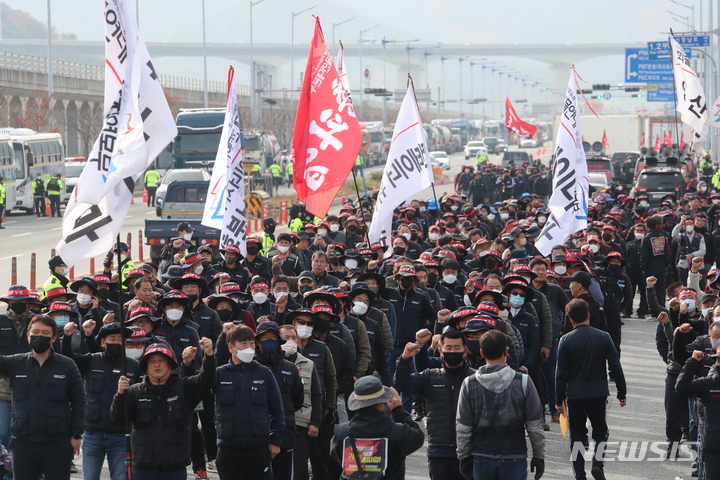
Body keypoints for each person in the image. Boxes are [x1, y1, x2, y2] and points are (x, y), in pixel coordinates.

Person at [112, 337, 215, 480]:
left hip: (174, 468)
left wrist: (209, 355)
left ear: (170, 365)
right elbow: (119, 418)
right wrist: (120, 395)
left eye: (161, 360)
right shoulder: (134, 391)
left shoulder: (184, 388)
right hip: (142, 467)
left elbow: (207, 380)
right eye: (152, 361)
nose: (157, 365)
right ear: (146, 366)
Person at [0, 314, 86, 480]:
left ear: (54, 338)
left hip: (57, 442)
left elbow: (79, 400)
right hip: (23, 442)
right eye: (36, 332)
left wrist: (76, 434)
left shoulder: (67, 365)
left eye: (45, 333)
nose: (40, 336)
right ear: (28, 335)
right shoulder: (15, 363)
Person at [456, 329, 545, 480]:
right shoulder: (523, 382)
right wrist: (539, 456)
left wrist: (463, 456)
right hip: (514, 456)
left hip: (481, 456)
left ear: (482, 353)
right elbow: (535, 425)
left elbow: (463, 425)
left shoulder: (469, 383)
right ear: (506, 351)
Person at [556, 299, 627, 480]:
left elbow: (560, 374)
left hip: (575, 394)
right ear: (589, 315)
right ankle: (597, 463)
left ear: (570, 320)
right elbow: (615, 367)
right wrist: (621, 392)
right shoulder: (604, 337)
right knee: (600, 431)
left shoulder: (565, 340)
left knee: (577, 436)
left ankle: (580, 474)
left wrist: (558, 400)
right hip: (598, 392)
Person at [61, 322, 140, 480]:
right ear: (103, 342)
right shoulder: (91, 360)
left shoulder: (134, 366)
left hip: (120, 434)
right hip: (92, 433)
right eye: (112, 338)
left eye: (120, 339)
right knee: (90, 477)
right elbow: (67, 359)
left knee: (120, 477)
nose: (117, 342)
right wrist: (67, 337)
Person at [395, 329, 476, 480]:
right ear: (440, 351)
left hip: (471, 452)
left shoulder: (475, 378)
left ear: (465, 352)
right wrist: (405, 359)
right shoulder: (429, 376)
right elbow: (402, 384)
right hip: (439, 450)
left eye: (457, 348)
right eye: (449, 348)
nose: (453, 351)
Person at [213, 324, 286, 480]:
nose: (249, 347)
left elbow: (277, 409)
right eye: (243, 343)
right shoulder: (220, 374)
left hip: (258, 446)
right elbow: (199, 390)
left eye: (251, 343)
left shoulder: (264, 373)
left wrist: (276, 441)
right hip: (228, 447)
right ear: (231, 348)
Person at [330, 376, 425, 480]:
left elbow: (337, 459)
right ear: (382, 402)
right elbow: (418, 437)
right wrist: (398, 410)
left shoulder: (341, 434)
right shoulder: (398, 433)